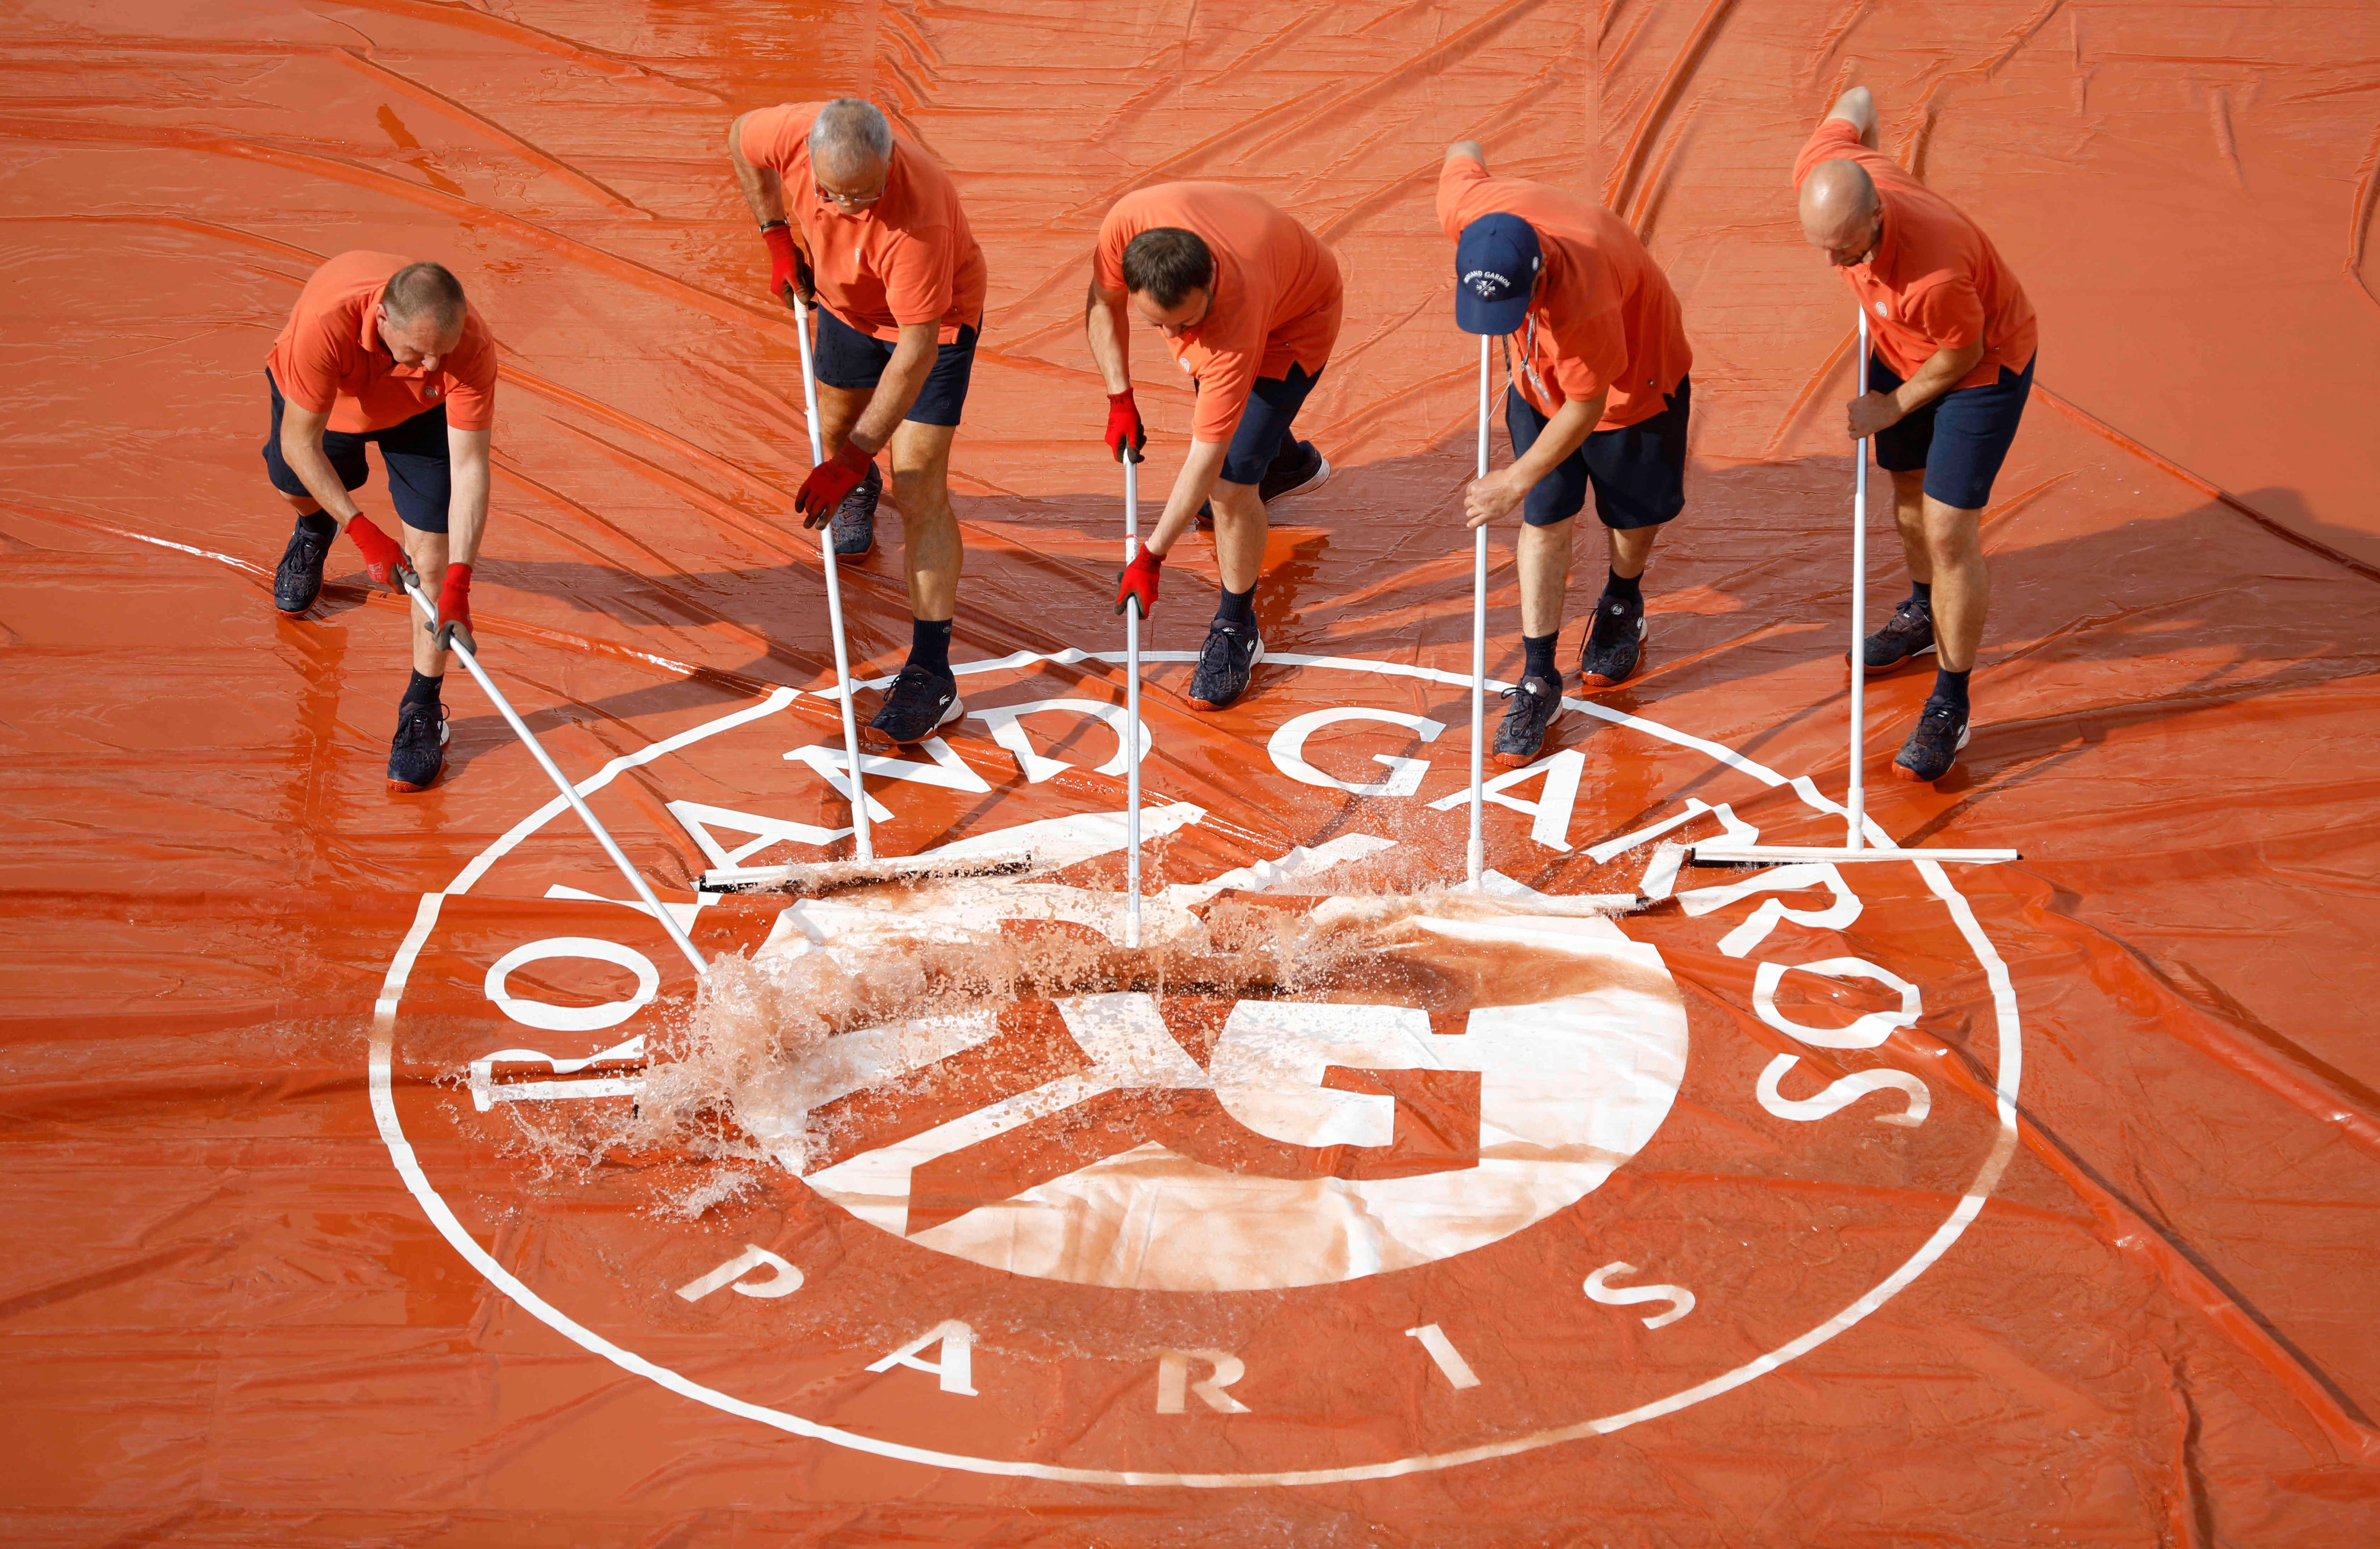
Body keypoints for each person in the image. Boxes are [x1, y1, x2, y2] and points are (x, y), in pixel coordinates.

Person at [1795, 86, 2038, 782]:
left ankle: (1951, 704)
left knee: (1949, 528)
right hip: (1900, 344)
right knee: (1906, 487)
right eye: (1824, 250)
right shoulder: (1829, 161)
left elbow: (1963, 355)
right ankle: (1923, 611)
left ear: (1878, 214)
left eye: (1847, 249)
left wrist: (1891, 405)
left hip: (1979, 366)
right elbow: (1860, 96)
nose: (1837, 267)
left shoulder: (1933, 273)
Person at [729, 96, 988, 747]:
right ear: (809, 159)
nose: (846, 209)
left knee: (920, 479)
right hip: (844, 309)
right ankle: (861, 484)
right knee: (839, 423)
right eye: (831, 195)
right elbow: (740, 136)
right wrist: (775, 233)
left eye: (863, 197)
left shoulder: (917, 217)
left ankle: (932, 670)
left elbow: (916, 352)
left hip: (932, 328)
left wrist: (850, 459)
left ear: (890, 162)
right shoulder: (787, 132)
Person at [1439, 141, 1695, 767]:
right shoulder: (1468, 206)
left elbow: (1587, 407)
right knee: (1545, 515)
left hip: (1631, 386)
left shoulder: (1585, 302)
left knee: (1630, 515)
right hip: (1540, 377)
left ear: (1539, 277)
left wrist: (1512, 479)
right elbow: (1465, 151)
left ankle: (1621, 599)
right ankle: (1537, 677)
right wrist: (1527, 487)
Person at [1093, 183, 1340, 711]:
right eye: (1157, 325)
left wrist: (1152, 554)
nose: (1174, 337)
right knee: (1239, 458)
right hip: (1268, 270)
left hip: (1295, 326)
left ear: (1208, 283)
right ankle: (1286, 464)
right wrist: (1119, 396)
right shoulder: (1127, 223)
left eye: (1184, 323)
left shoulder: (1230, 327)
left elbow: (1206, 457)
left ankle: (1237, 627)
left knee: (1229, 486)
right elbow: (1103, 301)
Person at [264, 252, 495, 793]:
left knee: (432, 564)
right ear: (383, 321)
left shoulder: (467, 348)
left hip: (419, 416)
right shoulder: (324, 325)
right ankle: (315, 529)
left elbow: (469, 468)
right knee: (291, 484)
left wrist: (459, 582)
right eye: (417, 351)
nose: (434, 365)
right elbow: (299, 444)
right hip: (330, 409)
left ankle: (422, 704)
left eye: (444, 351)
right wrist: (362, 531)